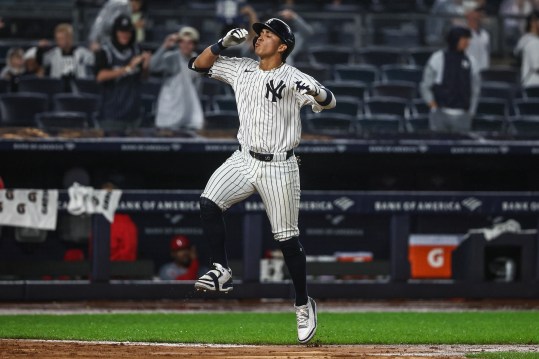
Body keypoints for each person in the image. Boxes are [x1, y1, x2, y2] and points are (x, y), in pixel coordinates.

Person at [189, 18, 336, 343]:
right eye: (260, 33)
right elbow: (198, 66)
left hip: (280, 166)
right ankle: (220, 270)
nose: (260, 38)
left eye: (268, 35)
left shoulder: (292, 76)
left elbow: (329, 101)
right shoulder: (241, 67)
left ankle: (302, 303)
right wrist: (221, 44)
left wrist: (317, 91)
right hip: (244, 158)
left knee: (286, 239)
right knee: (208, 202)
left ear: (282, 46)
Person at [420, 26, 481, 133]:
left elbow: (476, 89)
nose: (468, 42)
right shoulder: (438, 58)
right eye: (464, 39)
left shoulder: (471, 61)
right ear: (455, 39)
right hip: (440, 114)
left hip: (463, 115)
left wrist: (471, 112)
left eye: (468, 39)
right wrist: (432, 105)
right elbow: (425, 85)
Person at [95, 15, 150, 131]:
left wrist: (146, 66)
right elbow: (100, 76)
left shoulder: (137, 50)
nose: (125, 35)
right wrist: (127, 68)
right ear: (115, 32)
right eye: (121, 31)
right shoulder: (105, 51)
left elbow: (144, 78)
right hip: (111, 114)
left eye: (128, 32)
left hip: (134, 113)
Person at [149, 28, 204, 130]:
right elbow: (152, 66)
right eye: (182, 42)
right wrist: (165, 46)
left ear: (195, 45)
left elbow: (197, 89)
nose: (185, 46)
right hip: (169, 114)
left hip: (188, 115)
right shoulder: (171, 58)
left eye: (189, 43)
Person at [516, 11, 539, 87]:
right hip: (533, 82)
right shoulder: (529, 40)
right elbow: (536, 66)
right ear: (533, 22)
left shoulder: (526, 39)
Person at [466, 6, 490, 71]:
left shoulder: (485, 34)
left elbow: (486, 54)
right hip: (469, 69)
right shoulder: (465, 34)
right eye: (477, 13)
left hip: (483, 69)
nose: (479, 17)